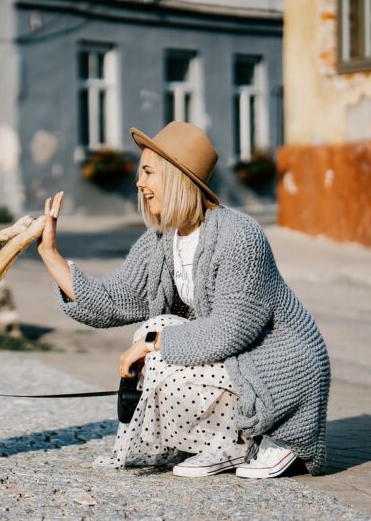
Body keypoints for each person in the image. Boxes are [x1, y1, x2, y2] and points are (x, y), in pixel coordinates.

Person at [36, 121, 330, 478]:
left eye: (148, 172)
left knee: (156, 341)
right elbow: (112, 300)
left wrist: (151, 345)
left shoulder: (240, 236)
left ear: (176, 176)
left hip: (280, 367)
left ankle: (267, 436)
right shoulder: (162, 241)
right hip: (237, 361)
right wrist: (51, 255)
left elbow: (230, 331)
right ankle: (223, 442)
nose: (139, 183)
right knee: (155, 329)